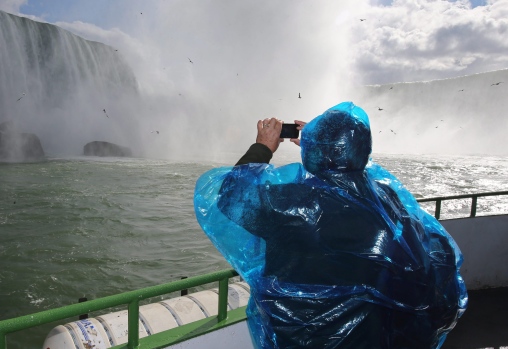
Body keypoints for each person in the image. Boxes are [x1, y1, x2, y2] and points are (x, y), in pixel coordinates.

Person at [193, 102, 467, 349]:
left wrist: (263, 146)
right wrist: (323, 148)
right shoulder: (387, 201)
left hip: (300, 340)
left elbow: (232, 198)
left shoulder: (292, 205)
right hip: (373, 339)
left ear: (316, 151)